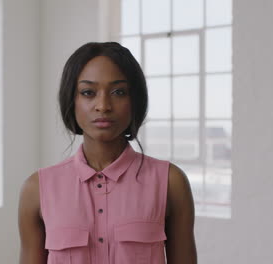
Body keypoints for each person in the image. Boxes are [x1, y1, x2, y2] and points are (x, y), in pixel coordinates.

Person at [18, 42, 197, 264]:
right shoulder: (36, 190)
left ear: (135, 101)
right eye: (88, 92)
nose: (103, 105)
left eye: (118, 92)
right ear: (71, 101)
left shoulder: (171, 182)